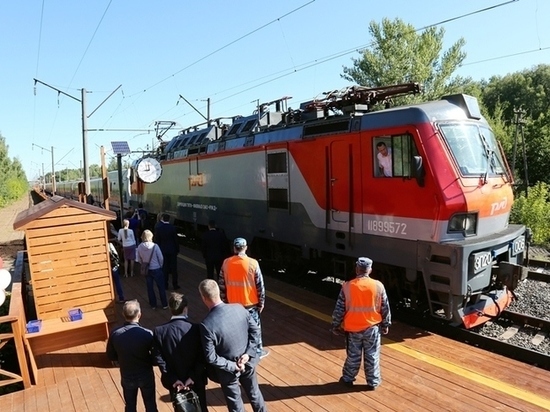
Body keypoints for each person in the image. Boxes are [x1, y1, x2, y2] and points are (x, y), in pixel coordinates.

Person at [198, 279, 266, 412]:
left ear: (203, 298)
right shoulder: (239, 308)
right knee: (255, 395)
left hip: (228, 372)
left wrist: (233, 366)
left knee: (236, 405)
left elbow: (211, 357)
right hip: (247, 362)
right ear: (218, 292)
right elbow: (255, 330)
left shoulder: (207, 325)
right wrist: (248, 353)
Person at [331, 257, 391, 390]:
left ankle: (347, 379)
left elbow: (339, 308)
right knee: (372, 356)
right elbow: (385, 307)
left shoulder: (347, 286)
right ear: (369, 270)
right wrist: (386, 324)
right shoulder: (378, 286)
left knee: (353, 356)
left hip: (353, 329)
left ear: (357, 269)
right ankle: (372, 382)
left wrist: (335, 325)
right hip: (372, 328)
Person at [153, 292, 208, 412]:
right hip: (196, 380)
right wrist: (192, 377)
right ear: (185, 309)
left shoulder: (159, 331)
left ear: (170, 308)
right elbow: (202, 357)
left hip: (175, 383)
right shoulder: (196, 329)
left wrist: (173, 380)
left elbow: (159, 359)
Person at [218, 237, 268, 359]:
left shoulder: (226, 263)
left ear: (234, 248)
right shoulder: (253, 263)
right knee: (255, 329)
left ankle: (237, 351)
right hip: (250, 304)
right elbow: (260, 286)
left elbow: (221, 285)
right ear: (245, 248)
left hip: (232, 304)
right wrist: (261, 303)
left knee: (236, 329)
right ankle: (257, 351)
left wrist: (224, 302)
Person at [106, 300, 157, 412]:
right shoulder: (147, 334)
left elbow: (111, 355)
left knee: (130, 406)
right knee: (150, 404)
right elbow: (155, 357)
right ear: (139, 314)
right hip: (145, 375)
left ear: (123, 315)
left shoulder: (115, 334)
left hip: (127, 375)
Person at [137, 229, 168, 310]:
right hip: (157, 268)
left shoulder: (140, 247)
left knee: (150, 288)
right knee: (161, 287)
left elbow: (138, 259)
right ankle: (164, 304)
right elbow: (161, 258)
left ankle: (153, 305)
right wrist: (160, 265)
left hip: (147, 270)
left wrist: (144, 264)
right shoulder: (155, 246)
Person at [154, 213, 180, 290]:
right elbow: (176, 240)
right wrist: (177, 249)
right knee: (174, 268)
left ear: (162, 219)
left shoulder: (159, 228)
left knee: (165, 268)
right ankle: (175, 284)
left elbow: (157, 241)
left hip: (163, 250)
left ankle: (165, 285)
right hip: (172, 251)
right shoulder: (173, 228)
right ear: (169, 219)